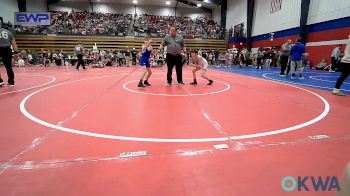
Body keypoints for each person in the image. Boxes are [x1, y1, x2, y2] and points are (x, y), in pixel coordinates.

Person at [0, 18, 18, 87]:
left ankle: (0, 81)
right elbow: (14, 44)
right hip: (7, 49)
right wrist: (16, 52)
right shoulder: (9, 32)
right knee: (8, 66)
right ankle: (11, 82)